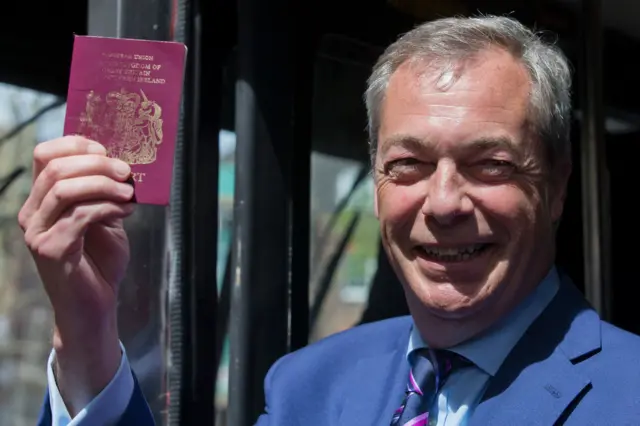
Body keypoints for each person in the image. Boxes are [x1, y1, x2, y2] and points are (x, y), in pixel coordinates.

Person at [26, 15, 640, 426]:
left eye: (489, 165)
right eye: (409, 164)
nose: (444, 202)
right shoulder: (307, 387)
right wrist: (84, 332)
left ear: (557, 188)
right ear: (376, 183)